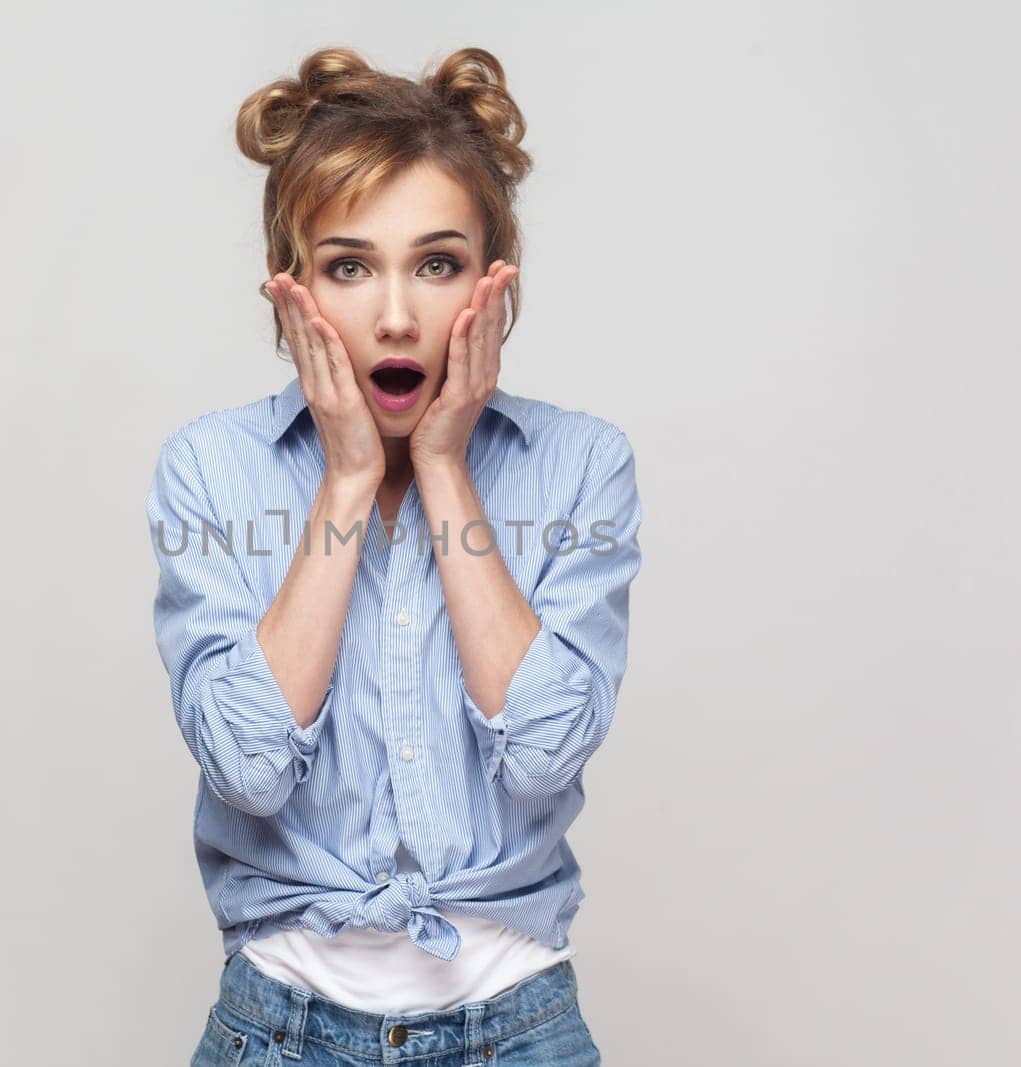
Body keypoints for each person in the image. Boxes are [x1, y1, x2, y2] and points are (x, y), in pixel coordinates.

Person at [147, 45, 641, 1065]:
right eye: (348, 266)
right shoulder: (211, 469)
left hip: (520, 1024)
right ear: (291, 290)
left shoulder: (581, 464)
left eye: (437, 262)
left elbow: (548, 750)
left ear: (492, 283)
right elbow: (246, 767)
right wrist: (343, 481)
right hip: (280, 1027)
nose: (396, 315)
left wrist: (447, 467)